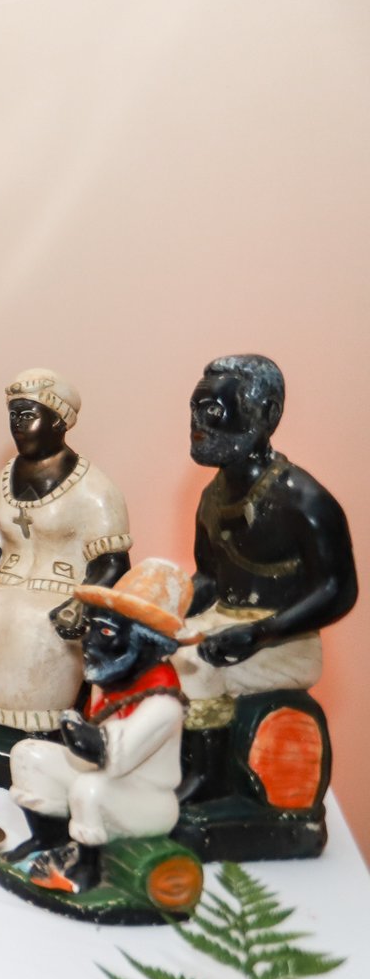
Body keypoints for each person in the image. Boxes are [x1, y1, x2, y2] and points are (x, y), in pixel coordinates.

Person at [175, 354, 357, 842]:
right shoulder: (213, 496)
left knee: (197, 666)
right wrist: (168, 613)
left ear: (267, 414)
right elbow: (210, 578)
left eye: (215, 410)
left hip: (285, 639)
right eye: (195, 409)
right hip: (228, 621)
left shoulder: (303, 500)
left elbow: (339, 590)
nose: (199, 423)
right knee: (154, 653)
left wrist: (260, 632)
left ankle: (209, 782)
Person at [0, 369, 131, 735]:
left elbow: (112, 565)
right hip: (4, 586)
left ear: (59, 421)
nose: (18, 424)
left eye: (28, 415)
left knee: (36, 630)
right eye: (13, 414)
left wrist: (80, 604)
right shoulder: (1, 483)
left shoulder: (94, 489)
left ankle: (39, 724)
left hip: (60, 594)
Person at [5, 560, 192, 895]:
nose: (89, 642)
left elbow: (111, 754)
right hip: (104, 779)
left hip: (145, 800)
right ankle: (47, 839)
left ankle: (86, 868)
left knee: (89, 789)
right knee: (28, 754)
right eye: (91, 628)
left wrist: (78, 732)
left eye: (105, 633)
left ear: (146, 644)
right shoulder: (109, 686)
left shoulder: (163, 704)